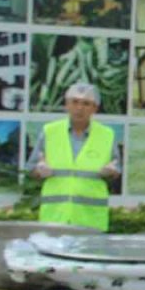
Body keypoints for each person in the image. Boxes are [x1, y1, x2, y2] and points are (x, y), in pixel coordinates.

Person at [27, 82, 120, 231]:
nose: (79, 108)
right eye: (74, 102)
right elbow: (31, 169)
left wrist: (111, 173)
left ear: (95, 108)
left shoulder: (107, 135)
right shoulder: (49, 131)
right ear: (66, 104)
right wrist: (39, 171)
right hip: (55, 218)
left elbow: (117, 170)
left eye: (86, 103)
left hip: (91, 220)